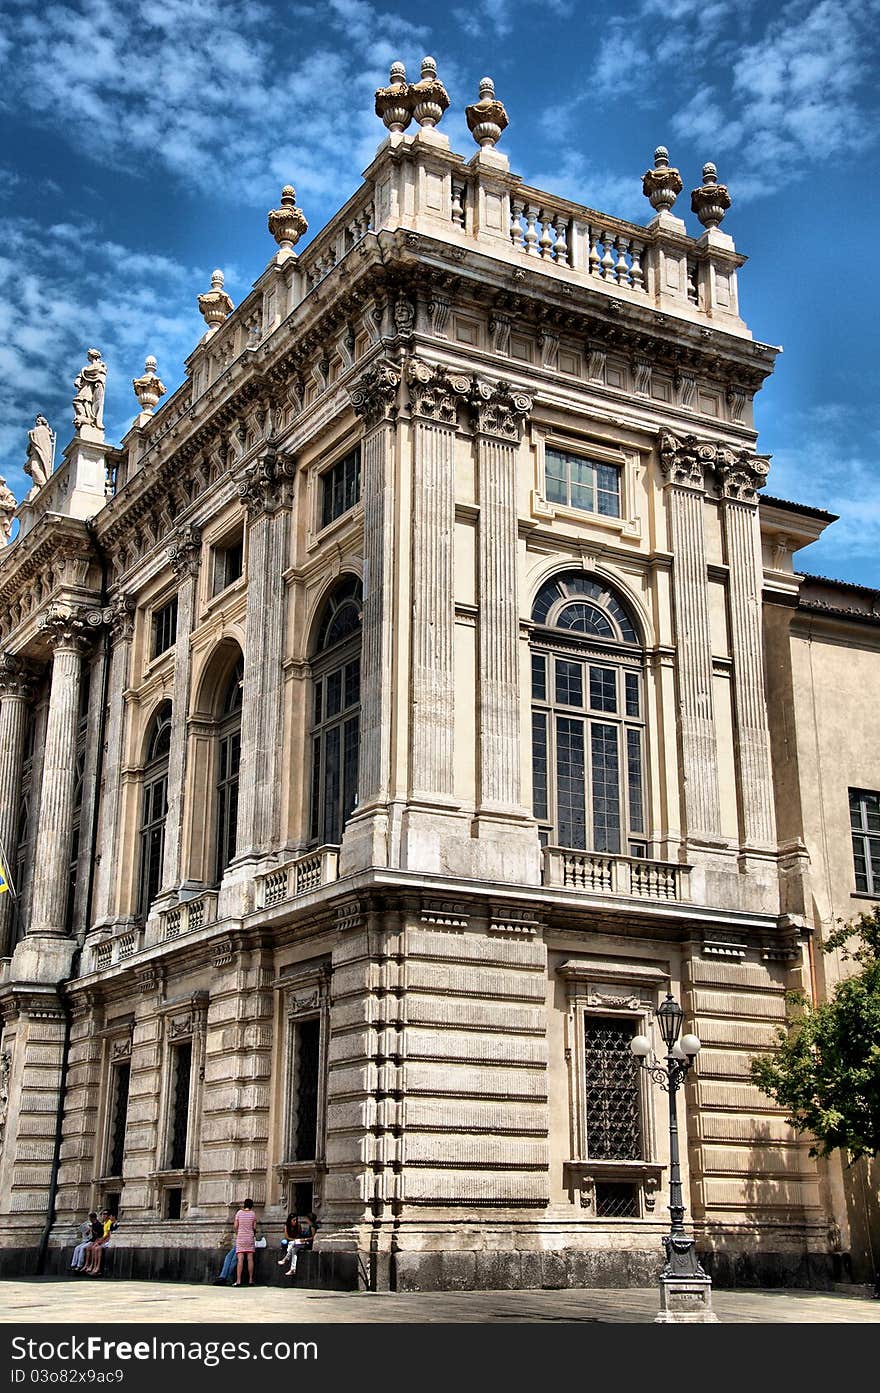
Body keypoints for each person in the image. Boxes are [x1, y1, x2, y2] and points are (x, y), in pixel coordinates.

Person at [279, 1212, 316, 1278]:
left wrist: (304, 1239)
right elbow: (287, 1237)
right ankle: (293, 1269)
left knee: (293, 1243)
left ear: (309, 1219)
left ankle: (285, 1259)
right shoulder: (287, 1226)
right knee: (294, 1250)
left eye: (306, 1219)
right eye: (294, 1220)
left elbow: (313, 1237)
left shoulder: (312, 1227)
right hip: (301, 1242)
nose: (305, 1220)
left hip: (307, 1243)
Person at [82, 1210, 116, 1275]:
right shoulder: (105, 1223)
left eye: (105, 1214)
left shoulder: (109, 1223)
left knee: (97, 1248)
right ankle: (90, 1265)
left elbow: (108, 1236)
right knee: (90, 1247)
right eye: (102, 1214)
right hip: (103, 1239)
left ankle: (97, 1267)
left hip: (107, 1241)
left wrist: (101, 1241)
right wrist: (99, 1240)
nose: (103, 1215)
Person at [233, 1198, 258, 1287]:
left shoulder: (239, 1213)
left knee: (240, 1259)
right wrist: (253, 1233)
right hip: (250, 1237)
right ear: (251, 1205)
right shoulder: (253, 1214)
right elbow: (254, 1227)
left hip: (240, 1237)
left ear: (244, 1204)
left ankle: (238, 1280)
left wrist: (238, 1233)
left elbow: (235, 1226)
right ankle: (251, 1280)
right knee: (250, 1259)